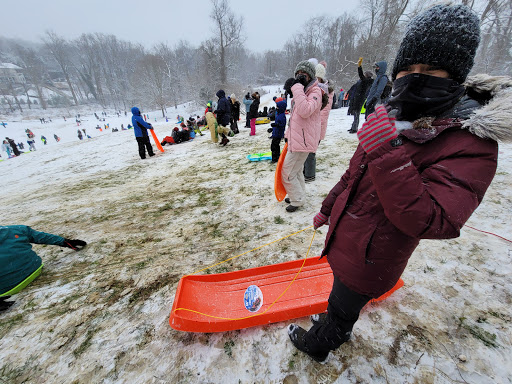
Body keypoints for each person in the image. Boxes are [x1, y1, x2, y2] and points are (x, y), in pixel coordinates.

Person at [287, 3, 509, 363]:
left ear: (455, 75)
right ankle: (332, 318)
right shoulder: (393, 115)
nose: (415, 77)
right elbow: (353, 174)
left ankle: (322, 343)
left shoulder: (471, 143)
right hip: (348, 236)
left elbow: (434, 219)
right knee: (338, 294)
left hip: (374, 257)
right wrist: (328, 208)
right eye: (408, 68)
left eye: (431, 69)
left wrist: (387, 152)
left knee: (345, 307)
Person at [0, 225, 86, 311]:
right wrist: (65, 242)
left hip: (8, 288)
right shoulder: (15, 229)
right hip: (34, 269)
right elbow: (41, 237)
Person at [281, 60, 322, 212]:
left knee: (287, 171)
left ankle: (297, 199)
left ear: (310, 76)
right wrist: (287, 135)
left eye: (303, 75)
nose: (299, 77)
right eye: (297, 74)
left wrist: (297, 87)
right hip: (298, 139)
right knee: (296, 170)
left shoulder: (315, 92)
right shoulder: (302, 93)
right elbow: (294, 118)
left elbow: (305, 111)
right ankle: (297, 195)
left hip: (303, 141)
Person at [303, 62, 334, 183]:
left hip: (316, 126)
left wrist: (315, 127)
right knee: (305, 151)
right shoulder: (313, 88)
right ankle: (305, 171)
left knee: (311, 152)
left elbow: (323, 113)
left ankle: (309, 175)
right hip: (310, 125)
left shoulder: (325, 90)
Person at [348, 58, 373, 133]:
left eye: (365, 74)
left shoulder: (366, 81)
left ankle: (355, 128)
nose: (363, 75)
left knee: (356, 114)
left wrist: (359, 67)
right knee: (355, 114)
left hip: (359, 99)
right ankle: (353, 126)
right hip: (357, 98)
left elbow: (361, 75)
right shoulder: (364, 81)